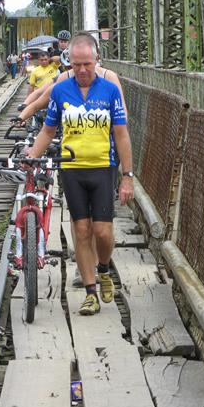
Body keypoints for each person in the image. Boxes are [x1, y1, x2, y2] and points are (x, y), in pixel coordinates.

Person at [25, 33, 134, 316]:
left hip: (102, 168)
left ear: (97, 61)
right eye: (76, 65)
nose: (83, 70)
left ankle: (103, 268)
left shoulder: (109, 90)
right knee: (82, 230)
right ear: (69, 63)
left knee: (103, 231)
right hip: (71, 168)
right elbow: (49, 129)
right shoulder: (62, 90)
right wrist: (32, 156)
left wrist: (127, 175)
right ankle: (90, 292)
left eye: (87, 64)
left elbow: (121, 135)